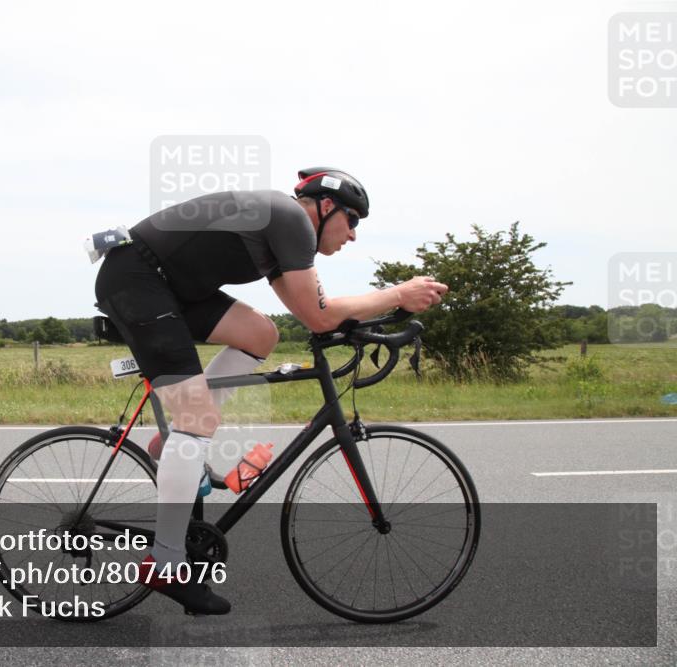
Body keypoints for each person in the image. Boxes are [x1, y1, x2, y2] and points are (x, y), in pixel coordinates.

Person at [93, 167, 448, 615]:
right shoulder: (292, 221)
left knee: (261, 334)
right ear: (325, 207)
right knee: (197, 418)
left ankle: (175, 444)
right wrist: (397, 293)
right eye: (353, 220)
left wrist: (368, 319)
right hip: (139, 281)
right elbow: (320, 317)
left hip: (168, 285)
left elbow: (315, 311)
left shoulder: (283, 232)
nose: (353, 235)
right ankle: (165, 562)